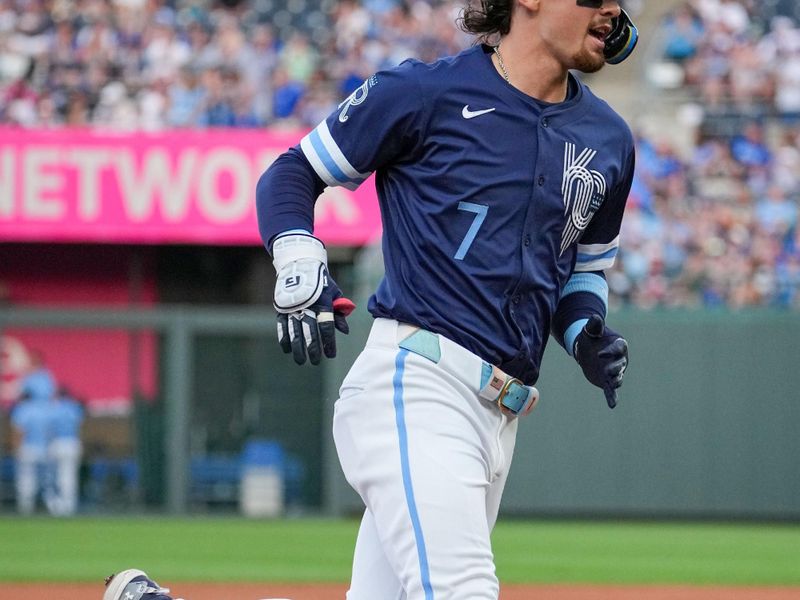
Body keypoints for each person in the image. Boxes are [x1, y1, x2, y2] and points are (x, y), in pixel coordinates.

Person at [106, 0, 636, 598]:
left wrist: (585, 331)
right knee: (462, 590)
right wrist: (299, 257)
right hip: (418, 384)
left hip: (500, 415)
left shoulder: (609, 138)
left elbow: (582, 273)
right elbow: (291, 174)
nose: (612, 10)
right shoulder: (423, 93)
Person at [10, 352, 57, 515]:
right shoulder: (48, 410)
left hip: (29, 447)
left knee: (28, 478)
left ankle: (26, 507)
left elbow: (18, 430)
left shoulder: (24, 409)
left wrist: (16, 448)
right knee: (48, 479)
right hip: (45, 447)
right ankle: (55, 507)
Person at [44, 386, 85, 517]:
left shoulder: (54, 408)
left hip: (57, 443)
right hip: (72, 443)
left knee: (54, 475)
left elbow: (49, 430)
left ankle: (56, 505)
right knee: (69, 476)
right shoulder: (74, 408)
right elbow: (80, 427)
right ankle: (69, 505)